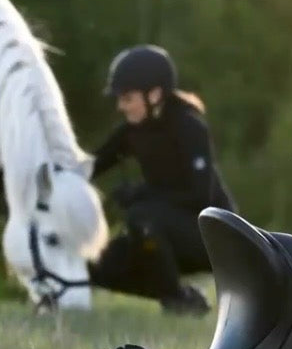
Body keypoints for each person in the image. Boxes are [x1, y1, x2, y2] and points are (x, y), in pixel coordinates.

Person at [85, 44, 236, 315]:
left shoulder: (189, 127)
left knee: (142, 218)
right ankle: (178, 293)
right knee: (97, 263)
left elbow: (199, 196)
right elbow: (91, 165)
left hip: (213, 237)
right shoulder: (133, 131)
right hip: (162, 236)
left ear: (154, 95)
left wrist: (140, 193)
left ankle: (179, 300)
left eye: (127, 98)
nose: (121, 106)